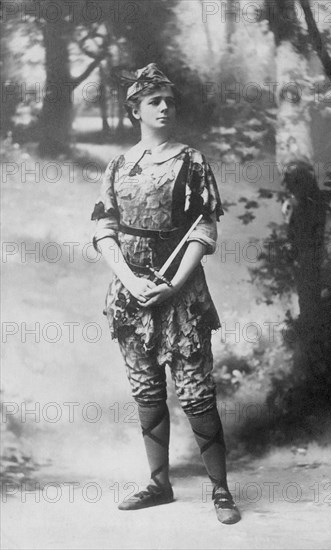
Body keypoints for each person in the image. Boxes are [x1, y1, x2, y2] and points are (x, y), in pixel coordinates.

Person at [91, 63, 241, 524]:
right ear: (135, 109)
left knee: (196, 392)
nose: (164, 107)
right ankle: (159, 484)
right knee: (146, 390)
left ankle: (221, 491)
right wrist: (130, 281)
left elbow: (203, 227)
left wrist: (174, 283)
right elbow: (103, 229)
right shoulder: (118, 165)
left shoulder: (191, 160)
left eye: (169, 101)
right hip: (131, 295)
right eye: (154, 101)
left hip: (182, 295)